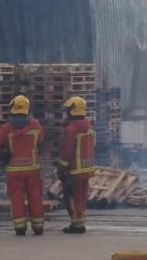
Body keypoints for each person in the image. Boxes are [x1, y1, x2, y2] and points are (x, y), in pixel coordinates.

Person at [0, 95, 45, 236]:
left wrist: (2, 151)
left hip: (14, 170)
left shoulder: (7, 127)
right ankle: (38, 227)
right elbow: (41, 140)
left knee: (16, 198)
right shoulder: (35, 125)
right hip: (32, 169)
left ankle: (20, 228)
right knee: (35, 197)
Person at [56, 96, 95, 234]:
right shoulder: (88, 125)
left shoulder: (71, 129)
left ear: (72, 111)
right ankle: (80, 221)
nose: (66, 113)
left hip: (74, 169)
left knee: (70, 196)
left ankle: (76, 225)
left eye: (67, 110)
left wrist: (61, 167)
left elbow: (67, 151)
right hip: (87, 168)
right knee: (81, 197)